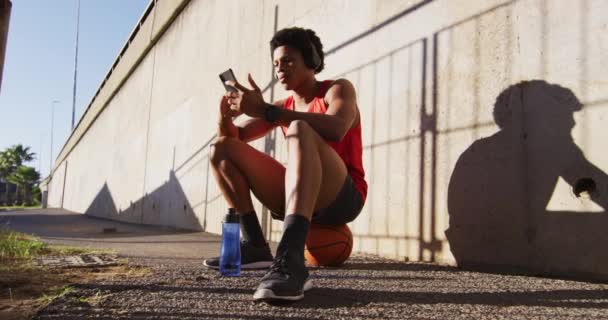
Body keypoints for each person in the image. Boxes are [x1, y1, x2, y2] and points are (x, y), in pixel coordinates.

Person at [203, 27, 367, 302]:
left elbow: (338, 127)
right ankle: (254, 244)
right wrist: (225, 118)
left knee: (300, 128)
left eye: (289, 60)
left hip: (342, 197)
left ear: (312, 59)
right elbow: (235, 139)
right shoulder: (283, 104)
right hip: (300, 196)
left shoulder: (336, 89)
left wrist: (268, 111)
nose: (280, 69)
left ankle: (291, 262)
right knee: (220, 148)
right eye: (276, 63)